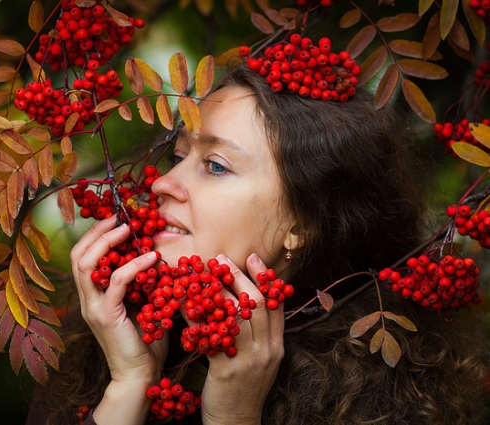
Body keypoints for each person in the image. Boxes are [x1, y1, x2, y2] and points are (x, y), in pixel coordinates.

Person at [25, 60, 489, 424]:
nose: (163, 182)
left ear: (302, 225)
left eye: (216, 166)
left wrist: (234, 417)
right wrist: (128, 386)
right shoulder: (100, 353)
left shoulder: (386, 401)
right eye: (180, 154)